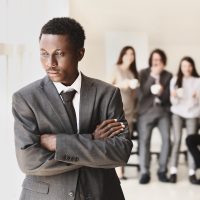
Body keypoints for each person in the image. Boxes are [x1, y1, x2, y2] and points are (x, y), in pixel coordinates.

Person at [12, 17, 132, 200]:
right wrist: (92, 139)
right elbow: (29, 161)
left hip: (101, 193)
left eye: (59, 53)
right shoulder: (25, 98)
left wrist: (59, 143)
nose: (49, 62)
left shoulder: (107, 94)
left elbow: (120, 152)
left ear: (80, 53)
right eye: (44, 53)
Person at [137, 49, 172, 184]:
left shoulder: (168, 75)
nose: (156, 62)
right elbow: (142, 94)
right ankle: (145, 172)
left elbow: (168, 98)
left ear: (163, 61)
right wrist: (153, 76)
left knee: (167, 140)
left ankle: (162, 170)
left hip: (162, 111)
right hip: (146, 111)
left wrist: (163, 92)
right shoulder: (143, 73)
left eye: (159, 60)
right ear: (151, 61)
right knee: (144, 141)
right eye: (154, 59)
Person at [169, 56, 200, 184]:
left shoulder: (198, 81)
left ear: (192, 67)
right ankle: (173, 171)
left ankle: (192, 173)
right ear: (180, 68)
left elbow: (198, 103)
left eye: (189, 66)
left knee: (191, 142)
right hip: (177, 113)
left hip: (192, 113)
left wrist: (196, 97)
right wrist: (174, 95)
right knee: (176, 140)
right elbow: (173, 102)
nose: (186, 68)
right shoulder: (175, 80)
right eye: (184, 66)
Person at [112, 46, 139, 180]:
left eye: (132, 54)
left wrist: (135, 87)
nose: (129, 56)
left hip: (130, 110)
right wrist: (122, 85)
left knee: (126, 141)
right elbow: (107, 87)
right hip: (117, 110)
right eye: (127, 53)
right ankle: (119, 172)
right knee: (118, 140)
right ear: (122, 55)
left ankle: (121, 169)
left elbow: (133, 95)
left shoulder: (132, 73)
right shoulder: (115, 68)